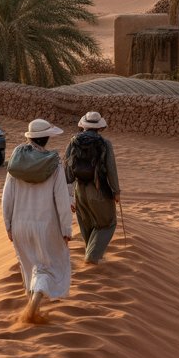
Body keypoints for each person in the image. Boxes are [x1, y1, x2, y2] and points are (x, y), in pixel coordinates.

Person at [2, 118, 73, 323]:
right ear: (47, 138)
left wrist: (7, 225)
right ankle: (33, 307)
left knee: (29, 265)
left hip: (20, 225)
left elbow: (7, 197)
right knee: (46, 267)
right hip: (47, 225)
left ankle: (31, 306)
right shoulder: (54, 164)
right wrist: (66, 228)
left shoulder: (16, 162)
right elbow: (61, 200)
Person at [64, 111, 120, 264]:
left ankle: (92, 253)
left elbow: (67, 169)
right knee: (107, 223)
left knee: (86, 222)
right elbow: (111, 169)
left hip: (79, 190)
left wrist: (68, 196)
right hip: (99, 189)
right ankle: (93, 257)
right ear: (99, 127)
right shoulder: (105, 143)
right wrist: (116, 191)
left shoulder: (73, 141)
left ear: (83, 125)